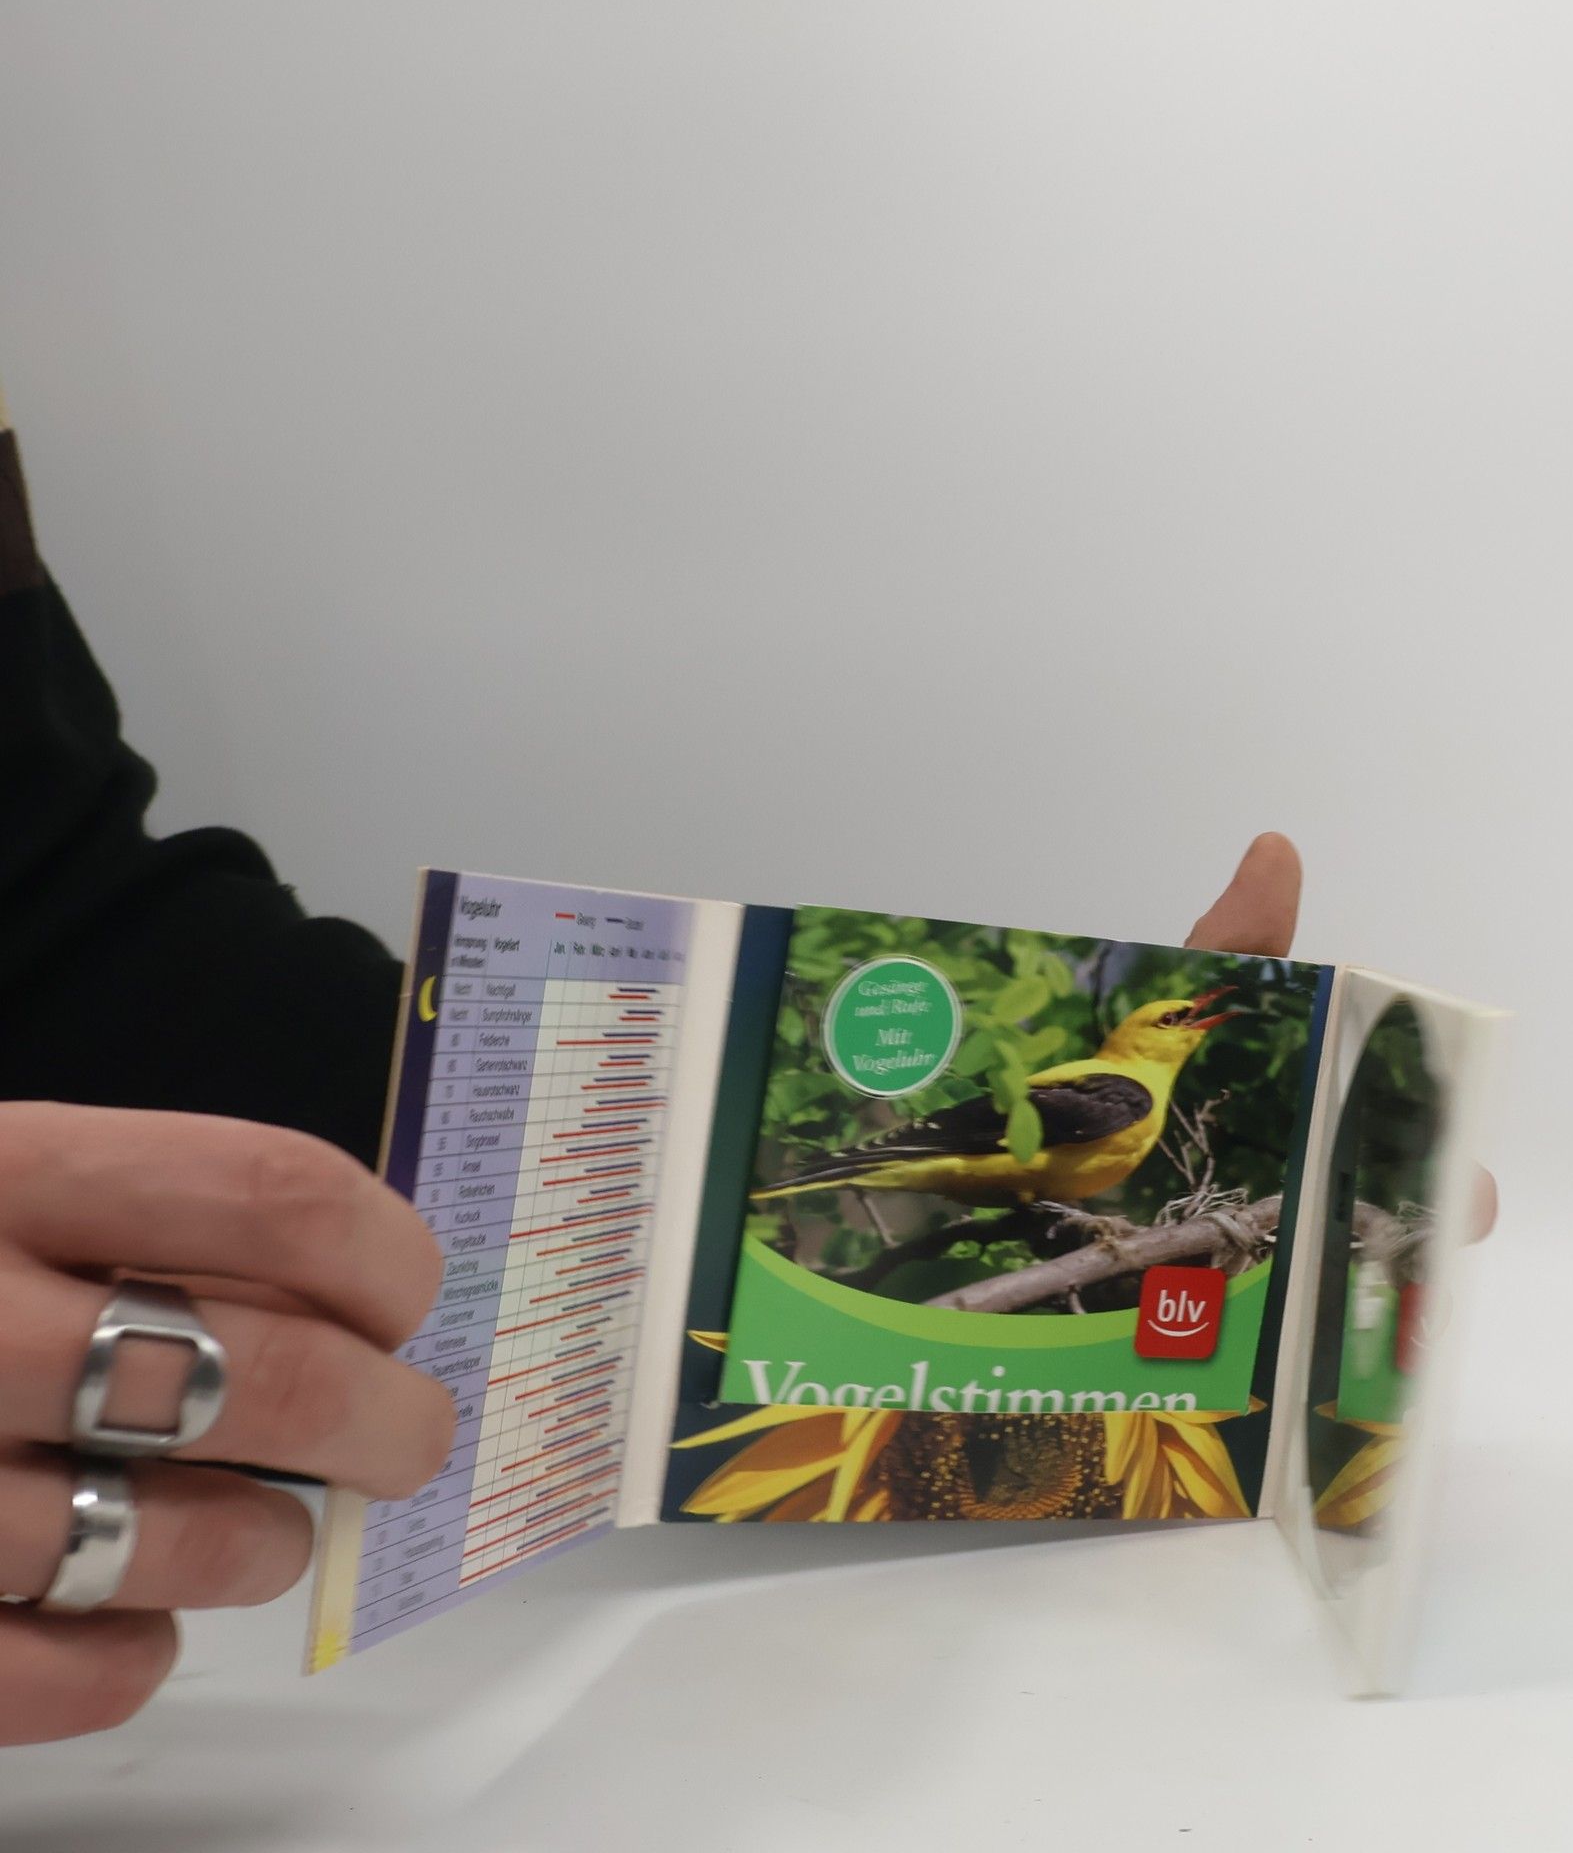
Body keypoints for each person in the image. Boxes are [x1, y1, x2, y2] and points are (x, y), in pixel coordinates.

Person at [0, 394, 1486, 1746]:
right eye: (1180, 1023)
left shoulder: (1127, 1098)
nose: (1190, 1032)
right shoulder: (1111, 1091)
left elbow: (66, 925)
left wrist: (632, 1169)